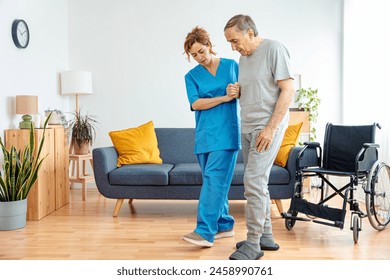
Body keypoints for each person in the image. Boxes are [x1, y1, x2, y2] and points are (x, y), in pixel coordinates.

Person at [224, 15, 295, 260]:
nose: (233, 47)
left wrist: (270, 128)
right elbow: (257, 88)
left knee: (252, 182)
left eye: (235, 41)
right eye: (229, 43)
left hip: (266, 128)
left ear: (250, 33)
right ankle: (265, 235)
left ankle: (253, 244)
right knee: (259, 183)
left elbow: (288, 90)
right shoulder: (243, 58)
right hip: (248, 127)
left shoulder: (274, 49)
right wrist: (237, 90)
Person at [182, 26, 241, 247]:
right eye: (194, 55)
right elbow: (195, 103)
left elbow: (244, 90)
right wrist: (224, 98)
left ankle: (205, 231)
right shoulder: (191, 76)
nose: (199, 58)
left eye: (201, 52)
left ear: (209, 46)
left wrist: (236, 93)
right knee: (215, 181)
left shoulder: (231, 66)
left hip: (226, 133)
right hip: (205, 135)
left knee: (214, 180)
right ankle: (224, 225)